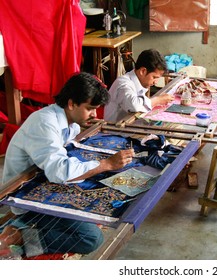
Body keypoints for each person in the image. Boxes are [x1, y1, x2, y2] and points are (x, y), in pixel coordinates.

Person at [0, 72, 135, 258]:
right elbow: (61, 172)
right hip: (25, 196)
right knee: (91, 238)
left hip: (46, 184)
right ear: (71, 104)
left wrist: (102, 165)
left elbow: (68, 158)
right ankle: (21, 235)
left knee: (107, 193)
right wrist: (106, 164)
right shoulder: (45, 123)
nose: (95, 114)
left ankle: (25, 232)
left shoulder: (71, 124)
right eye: (90, 108)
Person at [104, 49, 175, 122]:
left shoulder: (138, 82)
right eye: (154, 77)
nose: (156, 82)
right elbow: (135, 106)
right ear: (143, 71)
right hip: (114, 130)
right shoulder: (123, 84)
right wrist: (158, 100)